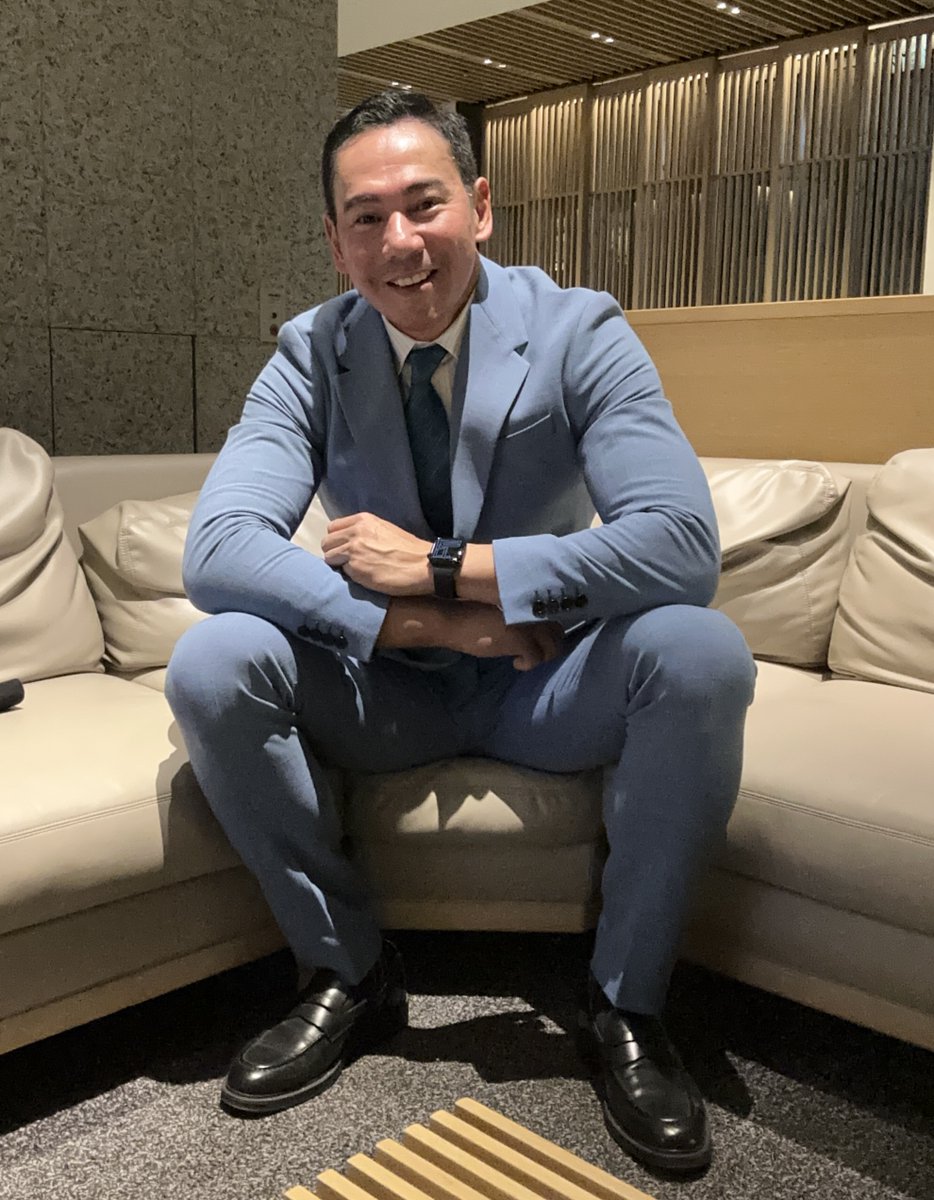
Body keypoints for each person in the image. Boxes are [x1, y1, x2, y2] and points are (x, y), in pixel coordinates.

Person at [165, 89, 755, 1175]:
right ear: (336, 240)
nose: (401, 242)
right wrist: (424, 623)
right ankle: (347, 970)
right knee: (212, 659)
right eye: (367, 217)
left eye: (424, 204)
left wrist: (450, 567)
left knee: (699, 650)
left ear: (479, 206)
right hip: (390, 691)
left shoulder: (580, 329)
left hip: (546, 685)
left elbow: (679, 545)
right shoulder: (309, 352)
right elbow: (217, 552)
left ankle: (626, 1004)